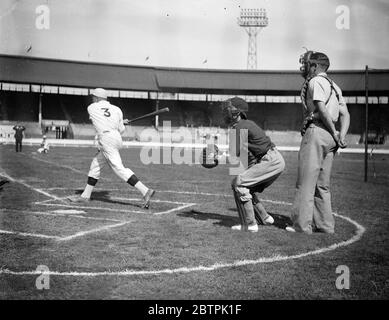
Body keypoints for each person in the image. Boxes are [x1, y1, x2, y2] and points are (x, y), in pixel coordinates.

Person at [287, 51, 350, 234]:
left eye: (308, 64)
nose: (305, 67)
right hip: (331, 138)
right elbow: (346, 114)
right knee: (323, 184)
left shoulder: (314, 81)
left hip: (317, 132)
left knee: (306, 181)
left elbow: (321, 109)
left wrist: (332, 130)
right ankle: (325, 225)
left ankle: (301, 225)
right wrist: (340, 135)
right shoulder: (335, 86)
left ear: (315, 66)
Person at [68, 88, 155, 208]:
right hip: (116, 137)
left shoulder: (91, 107)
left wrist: (119, 123)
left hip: (106, 138)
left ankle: (145, 190)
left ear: (97, 98)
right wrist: (121, 123)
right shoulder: (117, 109)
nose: (92, 98)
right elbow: (121, 130)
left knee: (119, 168)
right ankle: (85, 196)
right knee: (96, 165)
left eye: (94, 97)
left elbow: (101, 120)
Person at [222, 97, 285, 232]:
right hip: (273, 159)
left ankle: (250, 224)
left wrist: (215, 157)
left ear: (236, 112)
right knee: (246, 186)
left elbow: (234, 156)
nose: (226, 111)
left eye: (228, 108)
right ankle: (265, 218)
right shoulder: (244, 124)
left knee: (238, 183)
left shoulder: (240, 126)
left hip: (270, 160)